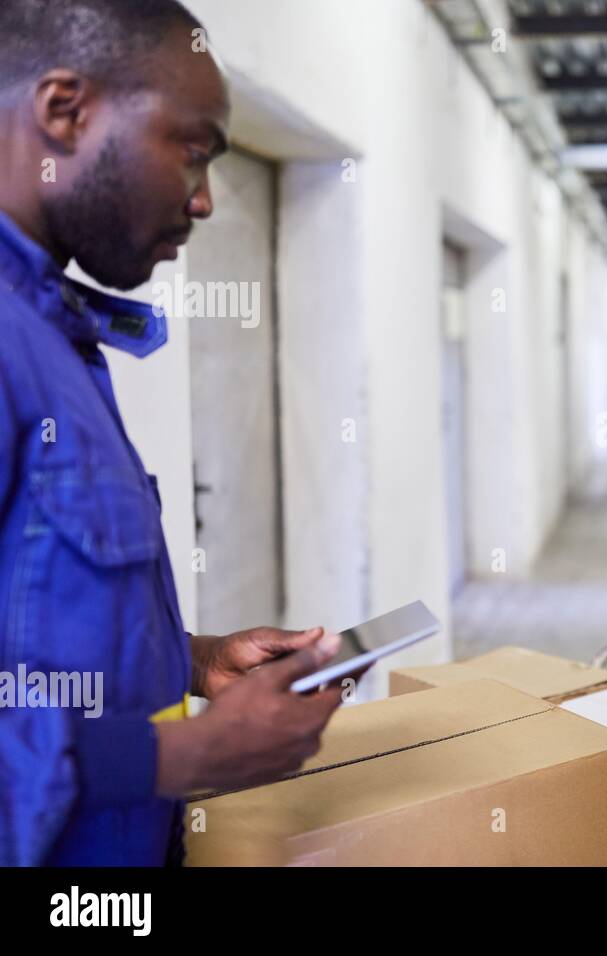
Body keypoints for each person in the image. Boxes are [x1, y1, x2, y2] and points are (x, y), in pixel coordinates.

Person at [0, 0, 344, 866]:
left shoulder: (54, 333)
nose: (203, 199)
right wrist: (184, 753)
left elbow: (32, 616)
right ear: (64, 111)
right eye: (193, 150)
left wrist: (192, 663)